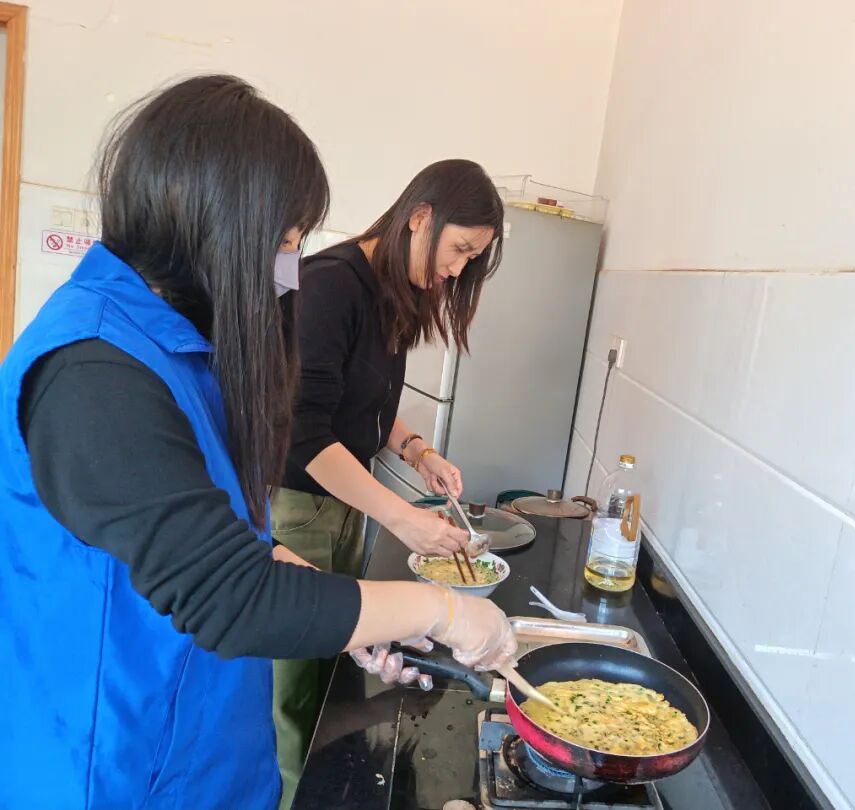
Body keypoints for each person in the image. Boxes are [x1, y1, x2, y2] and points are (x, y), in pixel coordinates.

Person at [0, 75, 516, 809]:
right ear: (203, 215)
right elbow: (230, 596)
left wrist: (347, 615)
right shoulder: (94, 369)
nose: (287, 270)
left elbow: (213, 537)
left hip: (203, 748)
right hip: (115, 766)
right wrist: (443, 610)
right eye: (283, 240)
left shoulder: (177, 348)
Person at [271, 158, 505, 804]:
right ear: (421, 217)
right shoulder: (330, 285)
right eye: (460, 249)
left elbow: (364, 401)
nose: (456, 269)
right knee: (289, 690)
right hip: (296, 510)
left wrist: (415, 449)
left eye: (471, 259)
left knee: (327, 673)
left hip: (341, 508)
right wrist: (401, 517)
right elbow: (304, 431)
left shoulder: (389, 290)